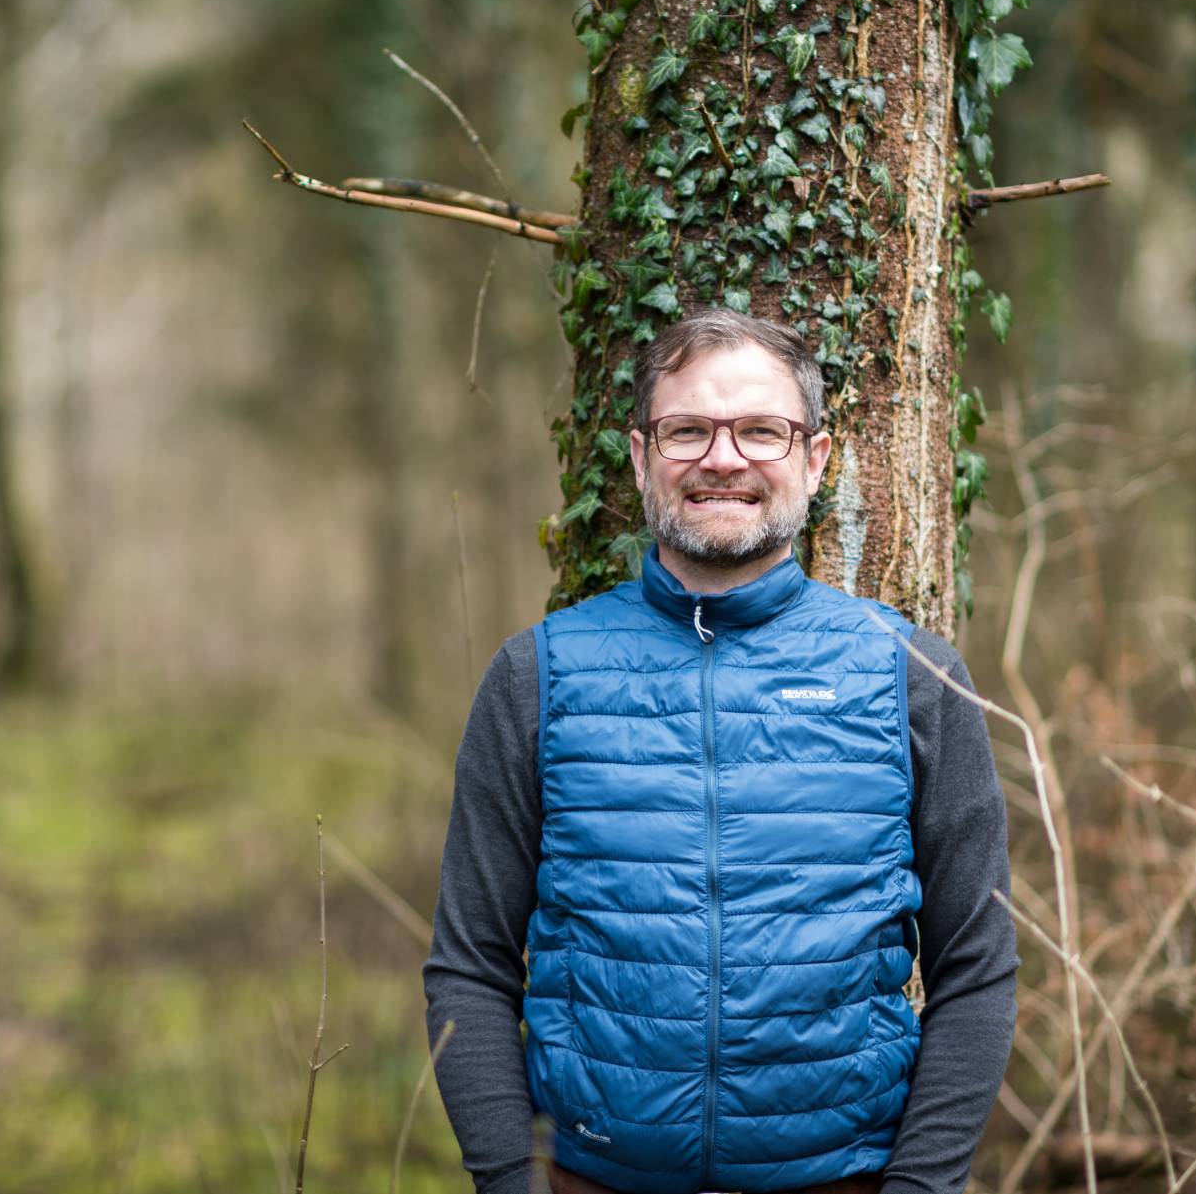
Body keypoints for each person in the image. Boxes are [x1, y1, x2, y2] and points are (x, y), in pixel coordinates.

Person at [421, 310, 1018, 1194]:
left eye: (761, 431)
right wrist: (512, 1179)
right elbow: (469, 964)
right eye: (688, 429)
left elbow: (977, 968)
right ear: (638, 455)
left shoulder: (916, 678)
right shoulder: (536, 676)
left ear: (815, 458)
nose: (723, 457)